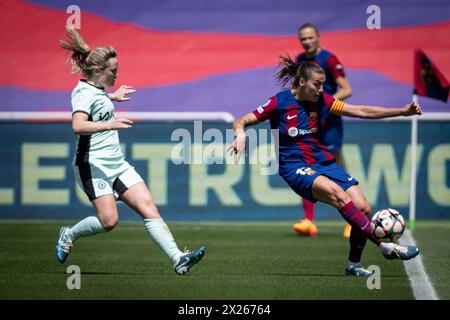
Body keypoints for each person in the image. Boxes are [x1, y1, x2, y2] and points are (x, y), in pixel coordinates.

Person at [229, 58, 420, 276]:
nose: (321, 89)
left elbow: (362, 111)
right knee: (337, 194)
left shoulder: (324, 101)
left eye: (323, 84)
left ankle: (353, 266)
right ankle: (385, 247)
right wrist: (240, 133)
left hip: (322, 161)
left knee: (363, 207)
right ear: (302, 82)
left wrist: (402, 112)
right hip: (294, 167)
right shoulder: (279, 103)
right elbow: (242, 119)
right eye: (317, 84)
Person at [54, 26, 205, 275]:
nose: (117, 73)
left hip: (116, 163)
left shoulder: (97, 90)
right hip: (92, 165)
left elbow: (97, 101)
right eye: (114, 70)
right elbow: (78, 125)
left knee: (149, 208)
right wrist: (110, 123)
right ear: (99, 71)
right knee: (109, 221)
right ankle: (69, 233)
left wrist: (112, 97)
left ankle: (178, 259)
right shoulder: (81, 92)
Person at [293, 23, 353, 238]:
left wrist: (325, 103)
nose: (307, 42)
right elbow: (296, 89)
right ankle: (308, 221)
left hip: (330, 123)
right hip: (309, 123)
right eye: (303, 39)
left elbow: (346, 89)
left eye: (310, 38)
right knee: (306, 168)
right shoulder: (301, 60)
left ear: (318, 37)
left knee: (335, 170)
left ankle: (353, 220)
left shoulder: (329, 59)